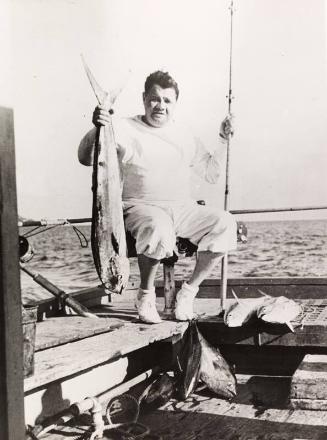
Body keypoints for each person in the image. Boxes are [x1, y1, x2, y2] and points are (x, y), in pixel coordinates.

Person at [78, 70, 237, 324]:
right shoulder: (123, 127)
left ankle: (189, 292)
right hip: (140, 207)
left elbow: (211, 174)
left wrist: (222, 139)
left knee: (225, 224)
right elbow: (85, 158)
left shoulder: (185, 134)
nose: (160, 106)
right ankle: (145, 294)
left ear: (175, 104)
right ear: (144, 99)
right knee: (158, 227)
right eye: (154, 99)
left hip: (182, 209)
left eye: (167, 100)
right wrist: (96, 126)